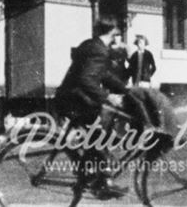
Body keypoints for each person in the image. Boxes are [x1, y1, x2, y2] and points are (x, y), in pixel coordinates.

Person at [54, 16, 130, 199]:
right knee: (99, 134)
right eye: (118, 33)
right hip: (75, 101)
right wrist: (108, 96)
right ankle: (104, 181)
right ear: (113, 32)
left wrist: (127, 90)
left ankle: (92, 174)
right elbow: (86, 79)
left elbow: (103, 75)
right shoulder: (99, 50)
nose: (119, 37)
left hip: (70, 98)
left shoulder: (91, 45)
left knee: (99, 131)